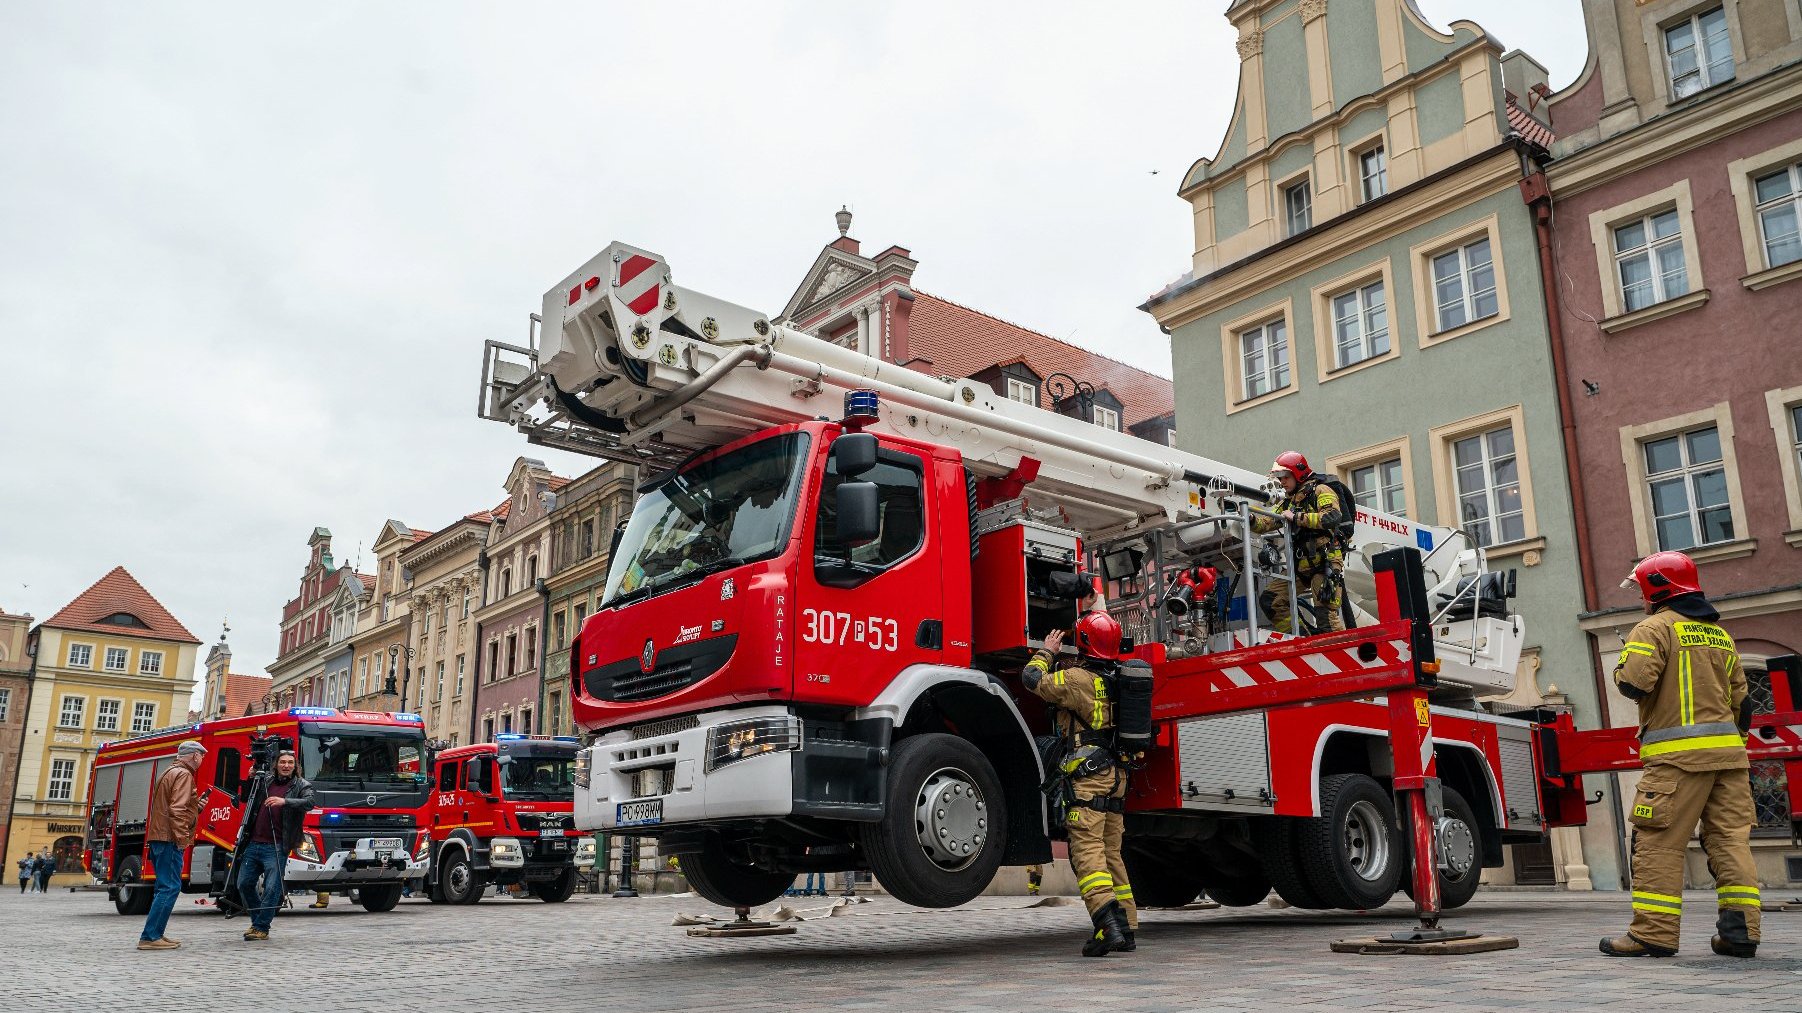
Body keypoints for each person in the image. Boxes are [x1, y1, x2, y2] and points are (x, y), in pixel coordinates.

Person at [1601, 551, 1760, 959]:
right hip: (1730, 760)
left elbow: (1634, 684)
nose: (1640, 599)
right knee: (1730, 843)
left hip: (1676, 764)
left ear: (1657, 589)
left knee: (1658, 843)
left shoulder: (1653, 628)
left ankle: (1652, 933)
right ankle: (1740, 934)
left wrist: (1624, 661)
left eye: (1641, 590)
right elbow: (1743, 705)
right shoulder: (1719, 636)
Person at [1025, 615, 1137, 957]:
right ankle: (1128, 927)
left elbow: (1032, 680)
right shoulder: (1121, 679)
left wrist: (1045, 652)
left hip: (1088, 780)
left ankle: (1108, 926)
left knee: (1087, 854)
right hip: (1116, 779)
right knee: (1112, 854)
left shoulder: (1076, 679)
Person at [1251, 452, 1346, 634]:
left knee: (1326, 616)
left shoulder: (1321, 490)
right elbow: (1267, 522)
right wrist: (1250, 518)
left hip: (1324, 561)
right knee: (1270, 601)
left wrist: (1297, 518)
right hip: (1300, 564)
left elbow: (1332, 517)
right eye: (1280, 478)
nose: (1282, 482)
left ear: (1298, 474)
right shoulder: (1289, 502)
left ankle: (1342, 654)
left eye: (1286, 477)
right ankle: (1303, 637)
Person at [237, 750, 315, 941]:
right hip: (254, 842)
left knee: (272, 888)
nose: (286, 766)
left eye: (290, 762)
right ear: (276, 764)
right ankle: (258, 921)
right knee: (244, 884)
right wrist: (250, 779)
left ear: (295, 766)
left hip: (277, 844)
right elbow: (245, 799)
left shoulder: (301, 784)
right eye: (282, 762)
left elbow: (310, 802)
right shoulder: (266, 781)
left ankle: (261, 927)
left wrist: (285, 801)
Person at [139, 740, 204, 951]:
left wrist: (196, 807)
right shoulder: (184, 775)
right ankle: (150, 936)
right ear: (194, 756)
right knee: (170, 887)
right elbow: (177, 810)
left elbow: (173, 807)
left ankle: (155, 933)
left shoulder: (169, 771)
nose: (202, 760)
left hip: (160, 836)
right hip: (169, 839)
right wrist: (183, 839)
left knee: (164, 887)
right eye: (201, 756)